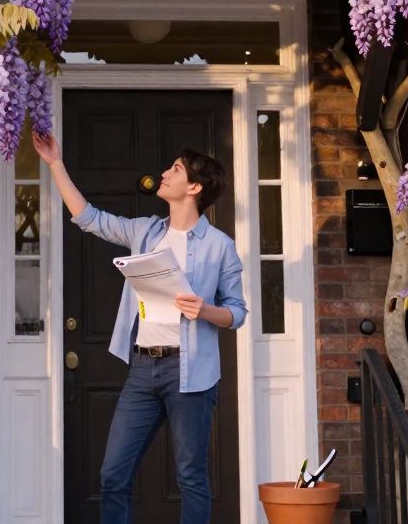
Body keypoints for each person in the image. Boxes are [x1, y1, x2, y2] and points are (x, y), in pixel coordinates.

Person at [32, 132, 248, 524]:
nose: (164, 173)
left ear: (195, 187)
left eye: (176, 169)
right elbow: (89, 219)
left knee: (191, 477)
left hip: (192, 374)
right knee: (113, 475)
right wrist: (54, 164)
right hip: (143, 369)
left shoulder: (220, 246)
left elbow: (237, 312)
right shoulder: (145, 231)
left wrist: (205, 310)